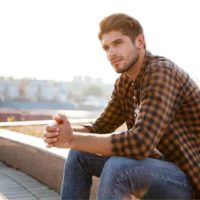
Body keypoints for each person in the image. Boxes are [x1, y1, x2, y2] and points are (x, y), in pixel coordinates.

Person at [44, 13, 200, 199]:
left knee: (117, 167)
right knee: (79, 154)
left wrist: (72, 139)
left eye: (118, 43)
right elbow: (99, 128)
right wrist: (62, 134)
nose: (111, 53)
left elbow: (140, 143)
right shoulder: (124, 83)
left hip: (189, 178)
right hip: (157, 168)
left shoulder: (161, 72)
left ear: (140, 42)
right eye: (106, 48)